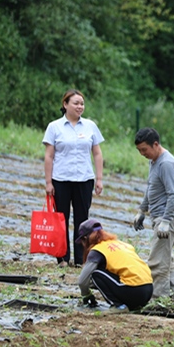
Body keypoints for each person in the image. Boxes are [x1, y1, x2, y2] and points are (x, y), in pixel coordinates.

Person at [43, 89, 104, 268]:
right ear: (65, 104)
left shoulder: (90, 126)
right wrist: (48, 182)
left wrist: (99, 179)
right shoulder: (54, 127)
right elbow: (49, 156)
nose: (80, 107)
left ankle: (80, 259)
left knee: (83, 221)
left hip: (84, 179)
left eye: (82, 104)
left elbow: (97, 153)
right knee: (61, 218)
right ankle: (62, 258)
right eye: (76, 103)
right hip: (61, 179)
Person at [133, 128, 174, 298]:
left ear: (156, 144)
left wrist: (166, 221)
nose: (142, 154)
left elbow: (173, 195)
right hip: (163, 218)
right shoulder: (154, 161)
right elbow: (151, 187)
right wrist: (142, 210)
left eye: (144, 150)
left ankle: (158, 299)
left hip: (170, 219)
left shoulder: (166, 163)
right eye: (139, 150)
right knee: (168, 262)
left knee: (157, 262)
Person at [76, 218, 153, 313]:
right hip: (148, 290)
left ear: (85, 239)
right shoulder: (121, 244)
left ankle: (119, 306)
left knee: (95, 274)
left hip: (134, 290)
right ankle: (134, 305)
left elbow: (82, 281)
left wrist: (86, 295)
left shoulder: (97, 250)